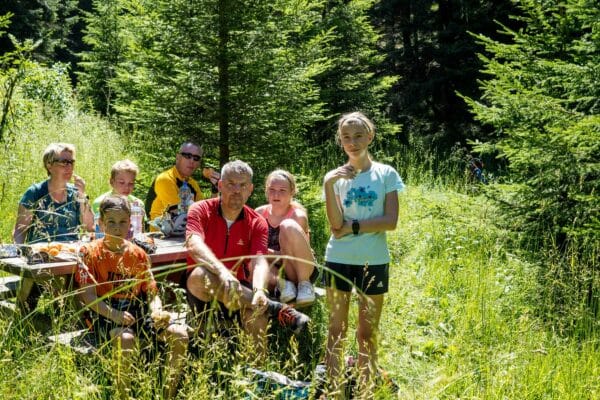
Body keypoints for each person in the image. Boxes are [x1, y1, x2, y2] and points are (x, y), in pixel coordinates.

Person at [185, 160, 310, 357]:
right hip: (203, 291)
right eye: (231, 184)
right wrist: (223, 272)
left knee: (257, 316)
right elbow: (193, 244)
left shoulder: (256, 221)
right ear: (220, 185)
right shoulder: (201, 209)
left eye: (243, 185)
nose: (237, 190)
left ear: (250, 189)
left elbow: (259, 260)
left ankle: (259, 377)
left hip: (240, 290)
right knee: (200, 274)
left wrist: (259, 289)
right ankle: (275, 308)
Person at [322, 112, 404, 397]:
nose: (352, 142)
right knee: (336, 331)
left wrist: (353, 226)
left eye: (358, 136)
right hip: (338, 260)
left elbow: (390, 221)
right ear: (340, 140)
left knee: (366, 335)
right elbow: (335, 226)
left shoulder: (386, 174)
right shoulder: (334, 178)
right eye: (346, 137)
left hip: (373, 260)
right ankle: (333, 391)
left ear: (370, 136)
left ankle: (366, 392)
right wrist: (328, 184)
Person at [76, 195, 189, 399]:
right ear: (101, 223)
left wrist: (156, 309)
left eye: (122, 222)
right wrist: (115, 314)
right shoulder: (89, 252)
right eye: (110, 222)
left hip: (136, 309)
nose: (117, 228)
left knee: (179, 333)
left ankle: (168, 394)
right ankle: (123, 395)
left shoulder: (138, 254)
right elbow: (88, 296)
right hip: (104, 310)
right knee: (125, 339)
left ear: (130, 224)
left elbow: (151, 292)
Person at [255, 170, 317, 306]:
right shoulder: (259, 213)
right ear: (266, 190)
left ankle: (304, 285)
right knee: (253, 262)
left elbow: (299, 255)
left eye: (282, 190)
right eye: (272, 189)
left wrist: (267, 252)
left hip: (298, 268)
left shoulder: (298, 216)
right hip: (274, 270)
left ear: (292, 192)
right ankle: (281, 284)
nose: (276, 195)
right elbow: (253, 250)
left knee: (287, 225)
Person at [13, 142, 94, 244]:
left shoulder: (76, 193)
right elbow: (20, 230)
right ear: (49, 165)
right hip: (40, 255)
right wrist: (19, 253)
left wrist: (82, 195)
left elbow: (90, 227)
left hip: (70, 253)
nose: (69, 167)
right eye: (64, 162)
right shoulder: (35, 192)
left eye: (71, 162)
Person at [146, 141, 219, 224]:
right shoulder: (165, 179)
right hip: (160, 235)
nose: (192, 161)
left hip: (185, 234)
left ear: (199, 163)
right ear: (177, 157)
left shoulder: (193, 184)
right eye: (188, 156)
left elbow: (205, 211)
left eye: (196, 158)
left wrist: (215, 190)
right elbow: (178, 214)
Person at [92, 159, 146, 236]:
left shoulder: (138, 204)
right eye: (121, 182)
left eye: (131, 183)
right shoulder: (99, 202)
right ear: (112, 182)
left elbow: (141, 230)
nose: (127, 187)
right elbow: (96, 230)